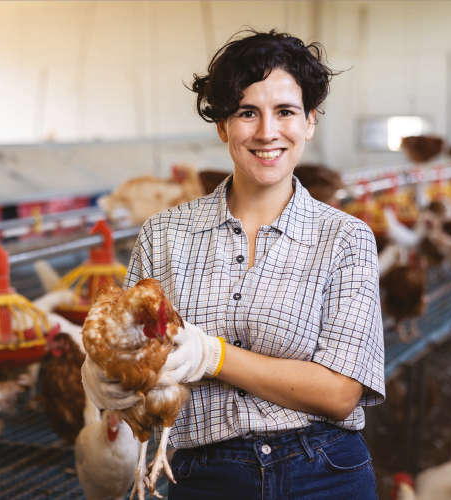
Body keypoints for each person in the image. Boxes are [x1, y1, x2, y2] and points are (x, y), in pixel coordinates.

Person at [83, 29, 385, 499]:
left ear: (309, 121)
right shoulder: (163, 234)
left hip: (322, 471)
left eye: (285, 111)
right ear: (223, 126)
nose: (267, 132)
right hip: (199, 476)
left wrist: (213, 355)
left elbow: (340, 394)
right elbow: (128, 345)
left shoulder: (346, 238)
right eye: (248, 113)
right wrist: (106, 379)